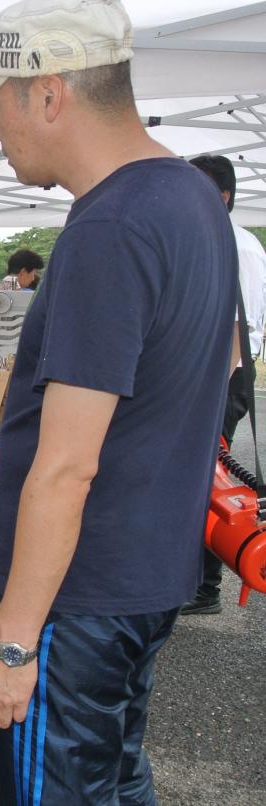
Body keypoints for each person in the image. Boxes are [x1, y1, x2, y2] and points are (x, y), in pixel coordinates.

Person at [0, 2, 237, 804]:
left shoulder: (109, 225)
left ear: (48, 94)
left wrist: (11, 645)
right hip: (145, 578)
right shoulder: (190, 200)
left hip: (76, 599)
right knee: (115, 778)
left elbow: (68, 466)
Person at [181, 154, 266, 615]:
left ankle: (206, 587)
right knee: (191, 475)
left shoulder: (241, 246)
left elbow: (240, 327)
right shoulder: (206, 238)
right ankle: (188, 576)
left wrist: (207, 394)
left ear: (223, 196)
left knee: (210, 480)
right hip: (199, 374)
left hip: (223, 377)